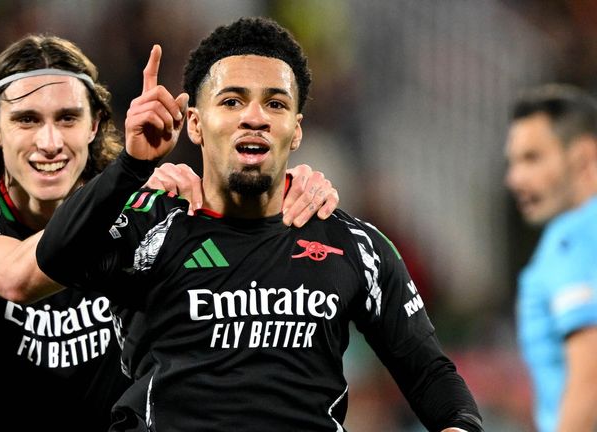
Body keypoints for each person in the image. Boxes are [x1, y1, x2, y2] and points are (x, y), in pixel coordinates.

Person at [37, 17, 483, 432]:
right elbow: (55, 256)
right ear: (194, 123)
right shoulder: (148, 230)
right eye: (232, 101)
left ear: (297, 129)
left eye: (275, 103)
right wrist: (131, 166)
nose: (255, 117)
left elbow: (428, 373)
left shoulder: (354, 244)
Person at [0, 33, 338, 431]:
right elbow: (16, 278)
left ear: (95, 125)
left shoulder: (141, 207)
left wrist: (281, 190)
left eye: (68, 118)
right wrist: (128, 175)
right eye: (26, 120)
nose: (50, 142)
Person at [505, 84, 597, 432]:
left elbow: (588, 381)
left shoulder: (571, 242)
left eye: (532, 158)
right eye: (512, 162)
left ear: (583, 156)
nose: (514, 179)